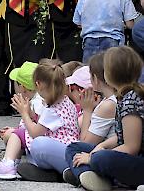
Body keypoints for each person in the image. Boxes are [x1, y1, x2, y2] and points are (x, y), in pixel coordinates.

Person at [20, 54, 118, 182]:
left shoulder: (107, 105)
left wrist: (87, 110)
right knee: (36, 145)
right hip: (91, 152)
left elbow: (85, 143)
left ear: (96, 79)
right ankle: (59, 172)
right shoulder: (103, 102)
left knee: (38, 144)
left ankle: (73, 172)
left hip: (92, 154)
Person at [0, 59, 79, 180]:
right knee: (21, 135)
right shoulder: (64, 101)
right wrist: (32, 115)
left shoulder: (52, 109)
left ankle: (8, 165)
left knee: (20, 135)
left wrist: (24, 114)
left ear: (38, 85)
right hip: (64, 149)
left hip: (59, 150)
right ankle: (24, 165)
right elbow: (48, 125)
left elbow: (35, 133)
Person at [65, 46, 144, 190]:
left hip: (138, 162)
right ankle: (90, 176)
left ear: (110, 75)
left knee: (101, 158)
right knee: (74, 148)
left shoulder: (131, 100)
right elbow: (124, 137)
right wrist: (102, 146)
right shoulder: (124, 96)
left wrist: (93, 156)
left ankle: (93, 176)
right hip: (127, 155)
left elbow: (132, 147)